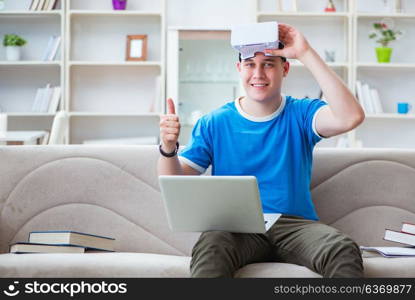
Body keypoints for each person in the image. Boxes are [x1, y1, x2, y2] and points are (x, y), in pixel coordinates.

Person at [158, 23, 365, 278]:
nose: (258, 73)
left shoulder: (301, 113)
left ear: (284, 68)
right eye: (250, 64)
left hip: (295, 226)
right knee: (212, 245)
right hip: (234, 228)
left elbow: (350, 117)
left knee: (341, 249)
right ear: (239, 69)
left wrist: (305, 52)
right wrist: (168, 148)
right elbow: (175, 183)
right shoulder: (214, 122)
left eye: (268, 64)